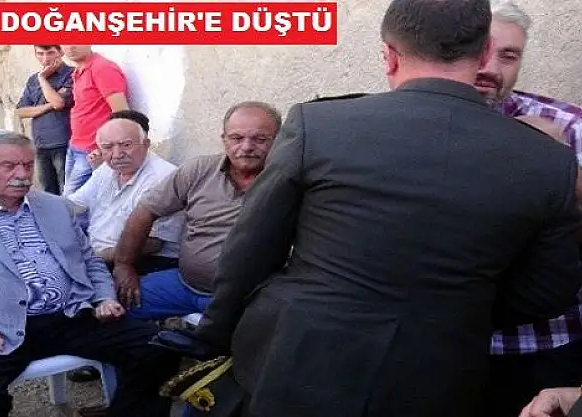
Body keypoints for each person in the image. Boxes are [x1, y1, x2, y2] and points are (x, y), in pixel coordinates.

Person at [190, 0, 582, 416]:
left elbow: (250, 249)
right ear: (484, 52)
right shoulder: (549, 159)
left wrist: (214, 335)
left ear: (389, 55)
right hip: (439, 374)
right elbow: (548, 291)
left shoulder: (318, 125)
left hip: (299, 357)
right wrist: (456, 306)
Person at [0, 130, 179, 417]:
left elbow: (89, 261)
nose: (22, 175)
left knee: (159, 348)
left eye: (28, 165)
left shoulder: (55, 206)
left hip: (71, 316)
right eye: (9, 166)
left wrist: (104, 297)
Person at [471, 3, 582, 416]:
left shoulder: (568, 125)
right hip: (446, 345)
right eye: (480, 51)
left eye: (509, 55)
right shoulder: (414, 126)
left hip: (550, 347)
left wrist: (557, 169)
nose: (491, 68)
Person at [112, 101, 280, 320]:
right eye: (237, 138)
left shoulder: (288, 183)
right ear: (224, 140)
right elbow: (145, 210)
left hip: (245, 300)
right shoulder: (199, 170)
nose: (247, 147)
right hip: (183, 286)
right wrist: (124, 265)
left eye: (260, 139)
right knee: (113, 306)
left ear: (279, 141)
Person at [67, 116, 183, 273]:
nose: (117, 154)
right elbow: (74, 205)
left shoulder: (162, 177)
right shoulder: (107, 169)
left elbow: (154, 244)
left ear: (146, 144)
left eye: (126, 145)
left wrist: (91, 259)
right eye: (107, 147)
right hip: (100, 255)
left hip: (145, 262)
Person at [60, 45, 129, 194]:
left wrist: (107, 149)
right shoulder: (79, 69)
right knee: (71, 198)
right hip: (75, 146)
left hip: (92, 151)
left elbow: (122, 114)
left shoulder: (102, 68)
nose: (70, 47)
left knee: (72, 200)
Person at [16, 45, 74, 195]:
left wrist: (42, 79)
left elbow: (59, 103)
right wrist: (50, 104)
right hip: (40, 144)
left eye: (50, 53)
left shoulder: (72, 74)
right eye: (40, 54)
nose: (45, 58)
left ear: (61, 52)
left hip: (63, 142)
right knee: (47, 192)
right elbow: (21, 111)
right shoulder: (33, 79)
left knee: (67, 191)